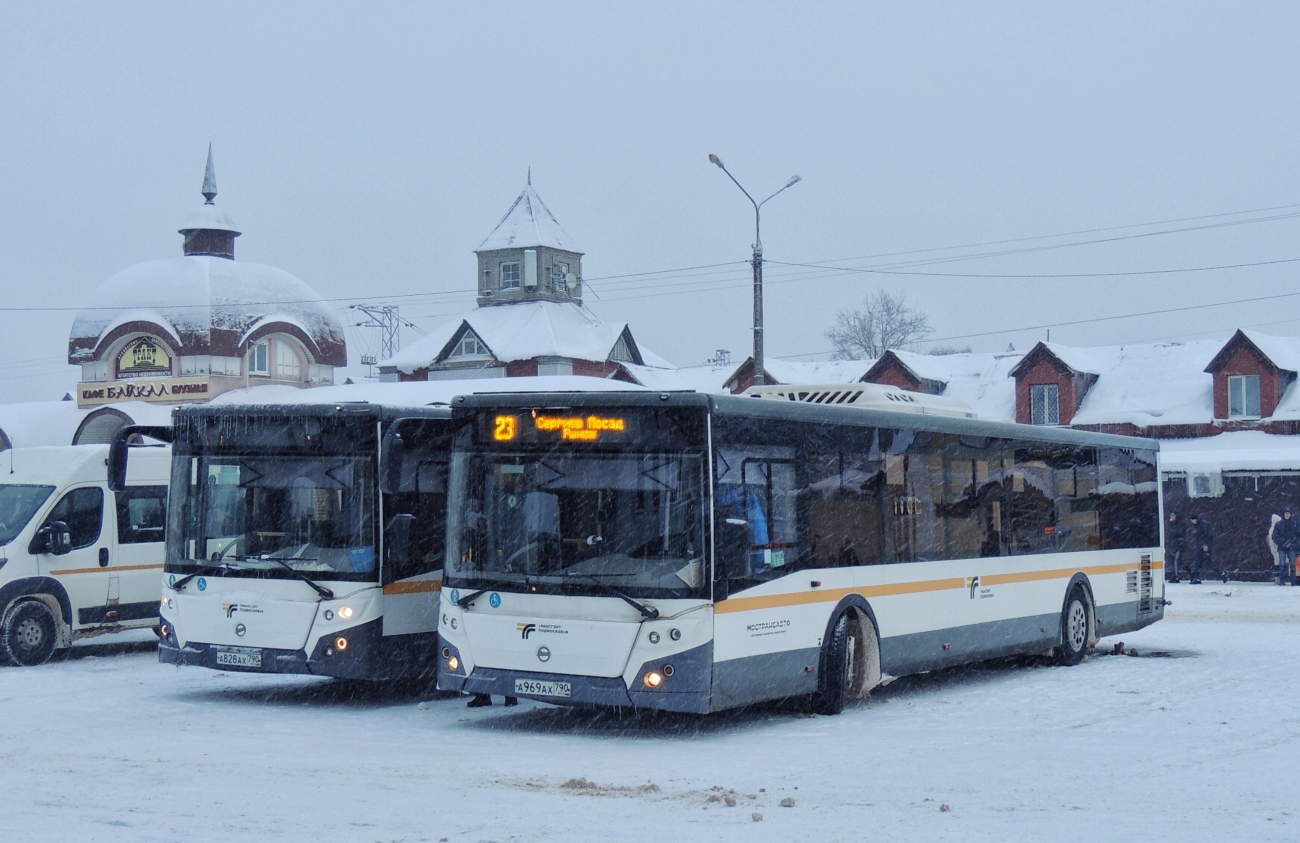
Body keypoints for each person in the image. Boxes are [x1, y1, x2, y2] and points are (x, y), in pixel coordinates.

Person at [1187, 514, 1217, 584]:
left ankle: (1222, 572)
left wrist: (1206, 545)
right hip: (1201, 545)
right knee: (1199, 562)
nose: (1191, 522)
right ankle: (1197, 578)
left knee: (1206, 562)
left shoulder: (1201, 526)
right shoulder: (1200, 525)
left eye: (1192, 520)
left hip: (1203, 546)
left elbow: (1206, 536)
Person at [1274, 508, 1300, 586]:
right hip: (1282, 547)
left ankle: (1293, 581)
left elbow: (1298, 536)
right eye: (1286, 514)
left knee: (1292, 563)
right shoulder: (1279, 524)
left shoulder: (1294, 524)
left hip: (1291, 548)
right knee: (1282, 563)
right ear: (1283, 515)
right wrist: (1282, 543)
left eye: (1288, 514)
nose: (1287, 515)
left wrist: (1293, 543)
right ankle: (1282, 581)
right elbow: (1274, 536)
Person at [1165, 511, 1185, 583]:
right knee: (1175, 561)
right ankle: (1175, 576)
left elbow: (1176, 532)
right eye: (1171, 515)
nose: (1172, 517)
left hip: (1178, 544)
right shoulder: (1170, 524)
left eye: (1173, 515)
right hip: (1173, 545)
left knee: (1176, 561)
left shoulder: (1178, 524)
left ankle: (1176, 576)